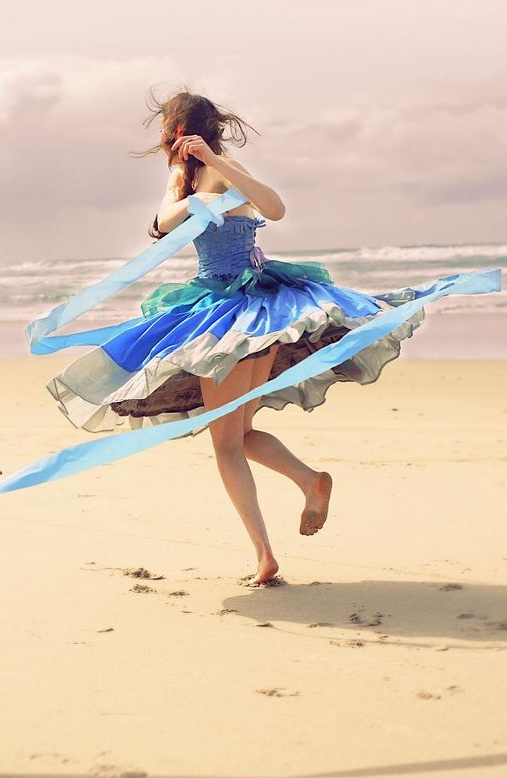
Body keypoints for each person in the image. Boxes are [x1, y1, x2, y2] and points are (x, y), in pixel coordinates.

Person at [43, 88, 428, 588]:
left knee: (225, 443)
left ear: (182, 129)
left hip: (247, 311)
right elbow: (162, 223)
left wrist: (217, 164)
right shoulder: (181, 177)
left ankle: (265, 555)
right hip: (221, 307)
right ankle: (310, 481)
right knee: (238, 435)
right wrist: (195, 190)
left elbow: (276, 207)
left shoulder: (225, 165)